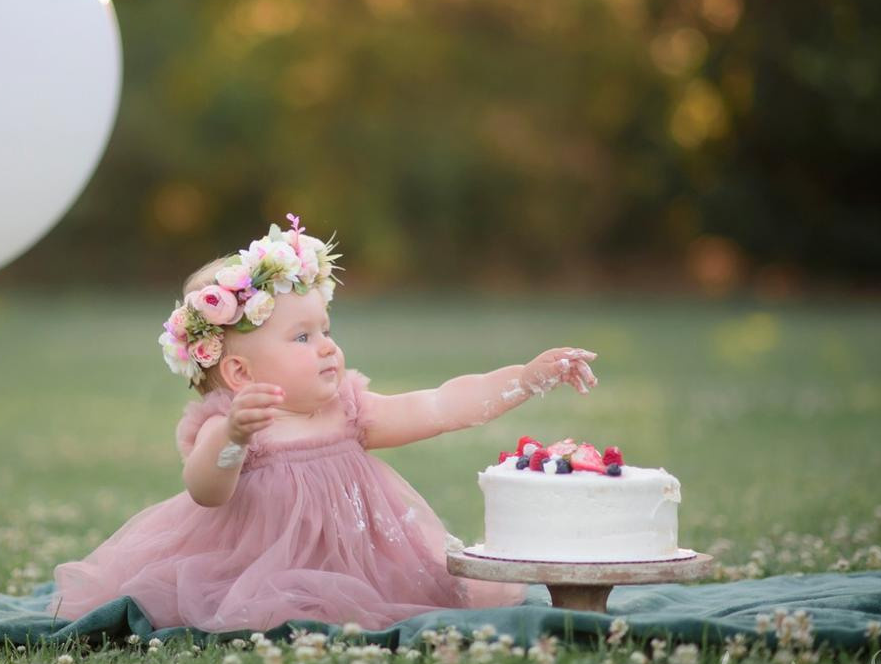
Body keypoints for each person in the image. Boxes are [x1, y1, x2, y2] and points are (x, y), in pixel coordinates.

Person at [46, 214, 598, 632]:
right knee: (276, 610)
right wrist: (235, 436)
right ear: (239, 371)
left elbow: (440, 405)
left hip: (358, 566)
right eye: (303, 338)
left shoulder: (350, 411)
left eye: (326, 329)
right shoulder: (236, 426)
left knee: (375, 600)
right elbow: (205, 491)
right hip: (254, 571)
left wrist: (525, 379)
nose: (328, 347)